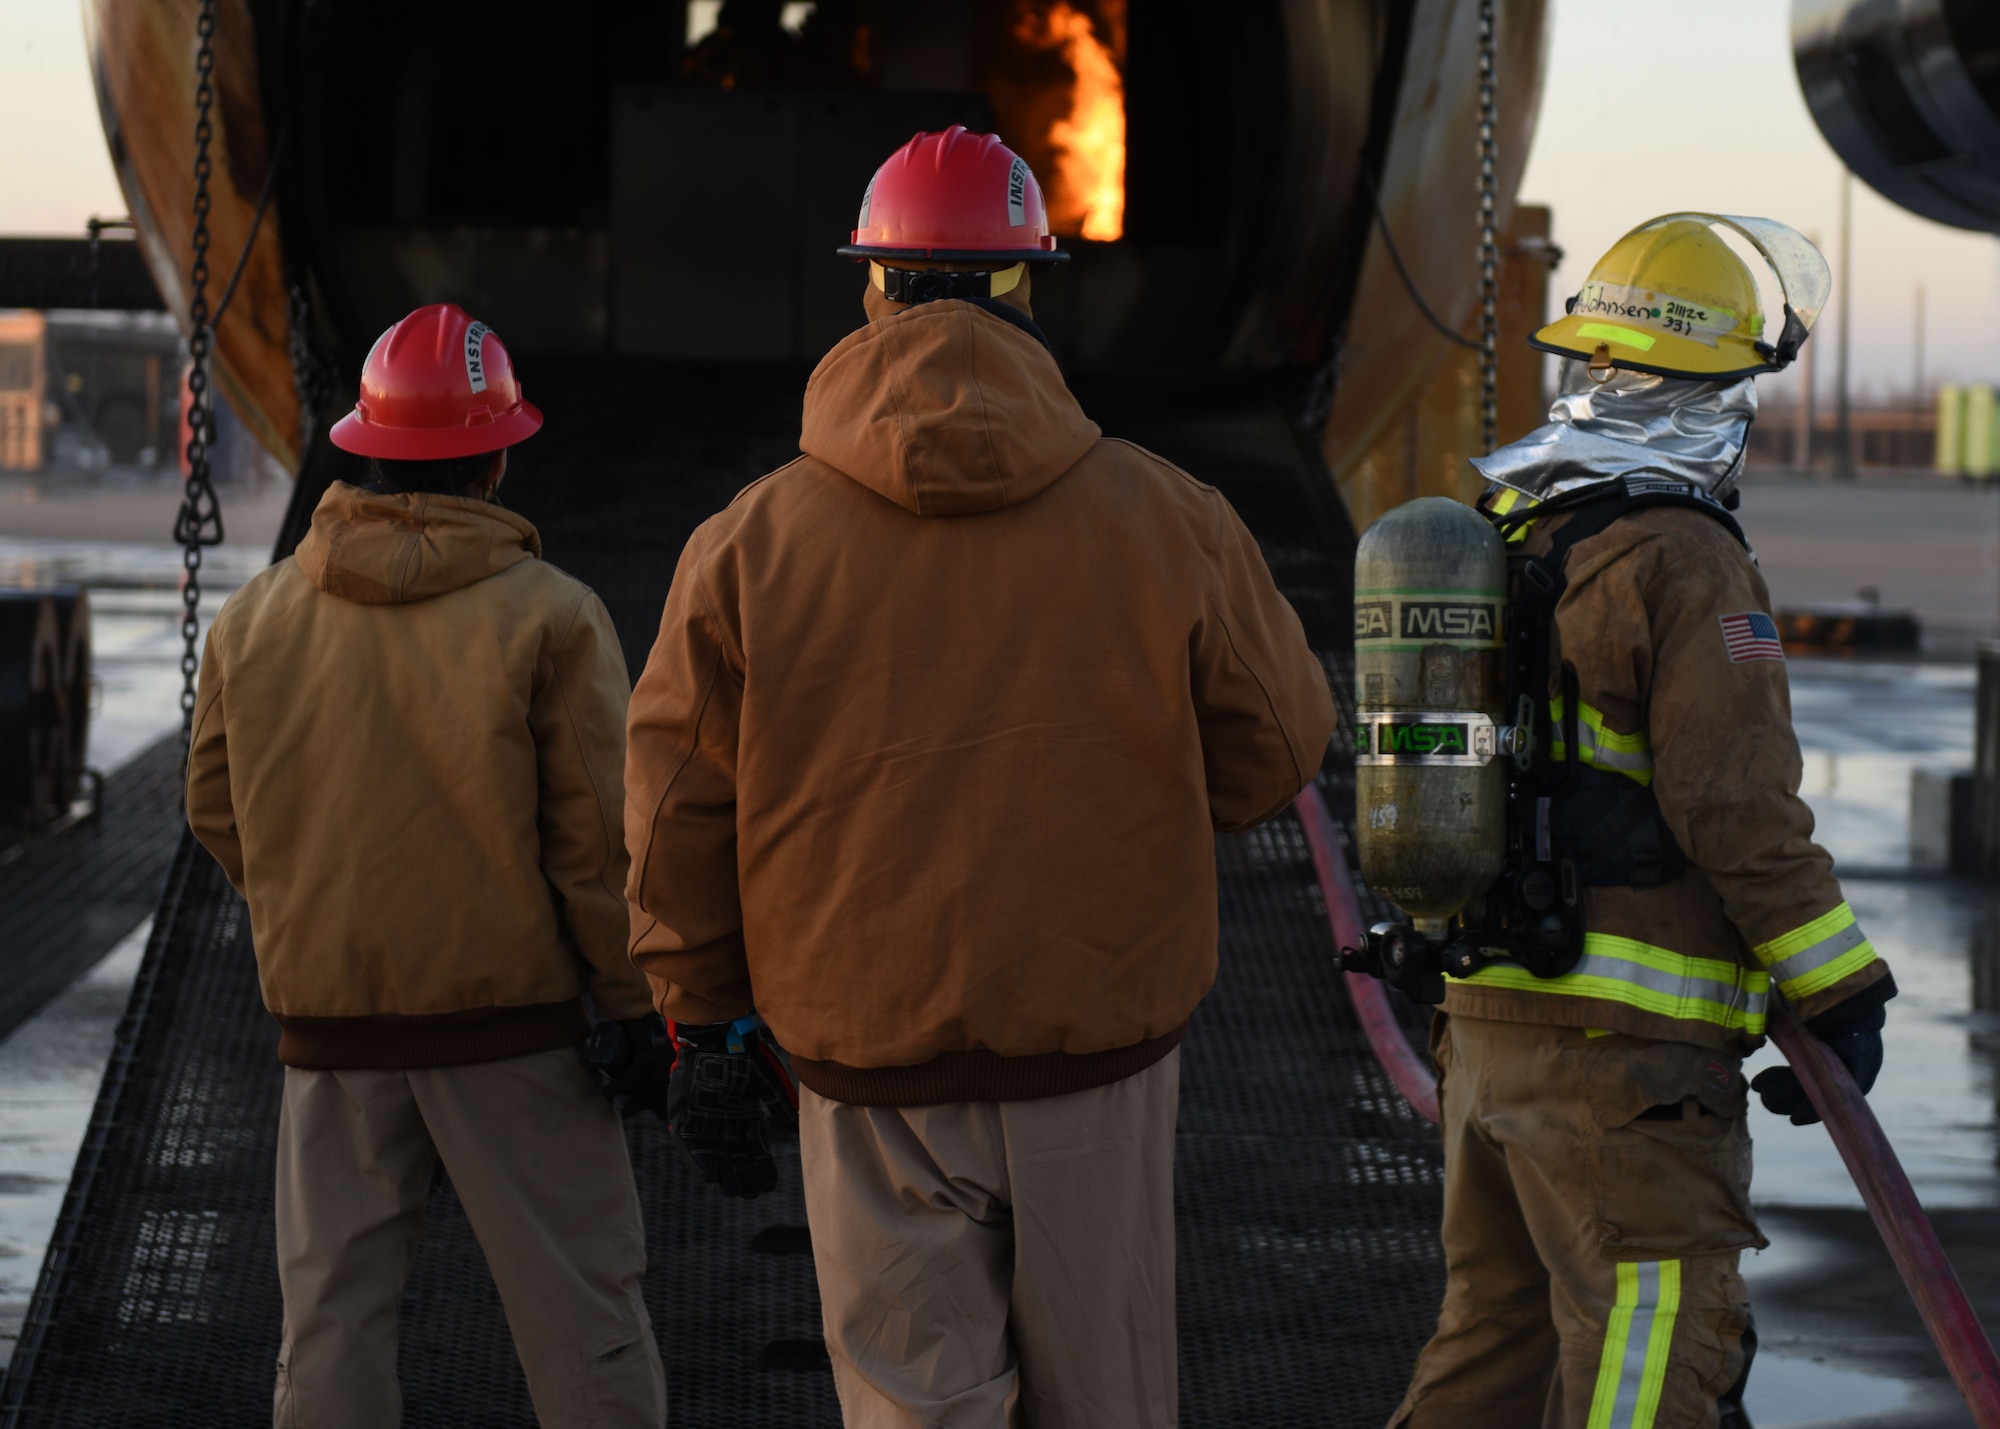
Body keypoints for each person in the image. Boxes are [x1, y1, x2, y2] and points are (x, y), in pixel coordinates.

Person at [623, 126, 1335, 1427]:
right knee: (1105, 1399)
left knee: (913, 1405)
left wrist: (704, 1016)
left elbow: (678, 807)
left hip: (869, 1066)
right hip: (1098, 1061)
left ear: (874, 287)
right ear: (1027, 290)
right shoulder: (1171, 516)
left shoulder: (748, 545)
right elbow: (1278, 749)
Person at [1388, 215, 1896, 1428]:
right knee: (1649, 1351)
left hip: (1485, 1026)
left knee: (1491, 1346)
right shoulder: (1682, 559)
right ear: (1710, 398)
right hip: (1622, 1065)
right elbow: (1734, 806)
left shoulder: (1506, 535)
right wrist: (1836, 990)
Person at [185, 302, 667, 1428]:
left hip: (332, 1040)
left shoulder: (255, 621)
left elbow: (215, 805)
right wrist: (635, 1005)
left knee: (331, 1333)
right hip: (516, 1035)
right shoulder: (550, 617)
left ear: (359, 442)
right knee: (584, 1323)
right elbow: (597, 839)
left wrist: (321, 907)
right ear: (498, 455)